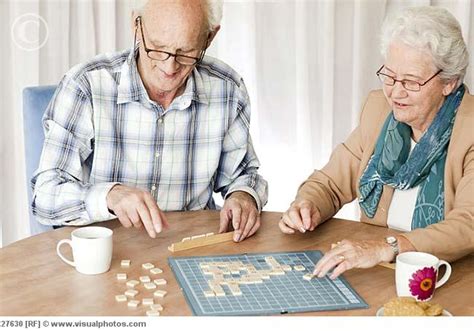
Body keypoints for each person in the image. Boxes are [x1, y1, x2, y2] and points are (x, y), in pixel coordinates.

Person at [31, 0, 268, 243]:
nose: (169, 66)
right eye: (157, 47)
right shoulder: (86, 85)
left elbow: (243, 174)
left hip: (190, 250)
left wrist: (243, 196)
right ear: (136, 25)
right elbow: (46, 197)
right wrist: (110, 196)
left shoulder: (228, 89)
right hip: (109, 252)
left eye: (186, 53)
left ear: (209, 37)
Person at [279, 6, 473, 279]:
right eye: (390, 76)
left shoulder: (470, 130)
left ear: (449, 82)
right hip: (379, 271)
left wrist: (388, 247)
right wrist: (307, 205)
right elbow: (331, 184)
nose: (395, 92)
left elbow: (468, 224)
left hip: (448, 277)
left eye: (411, 81)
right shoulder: (378, 110)